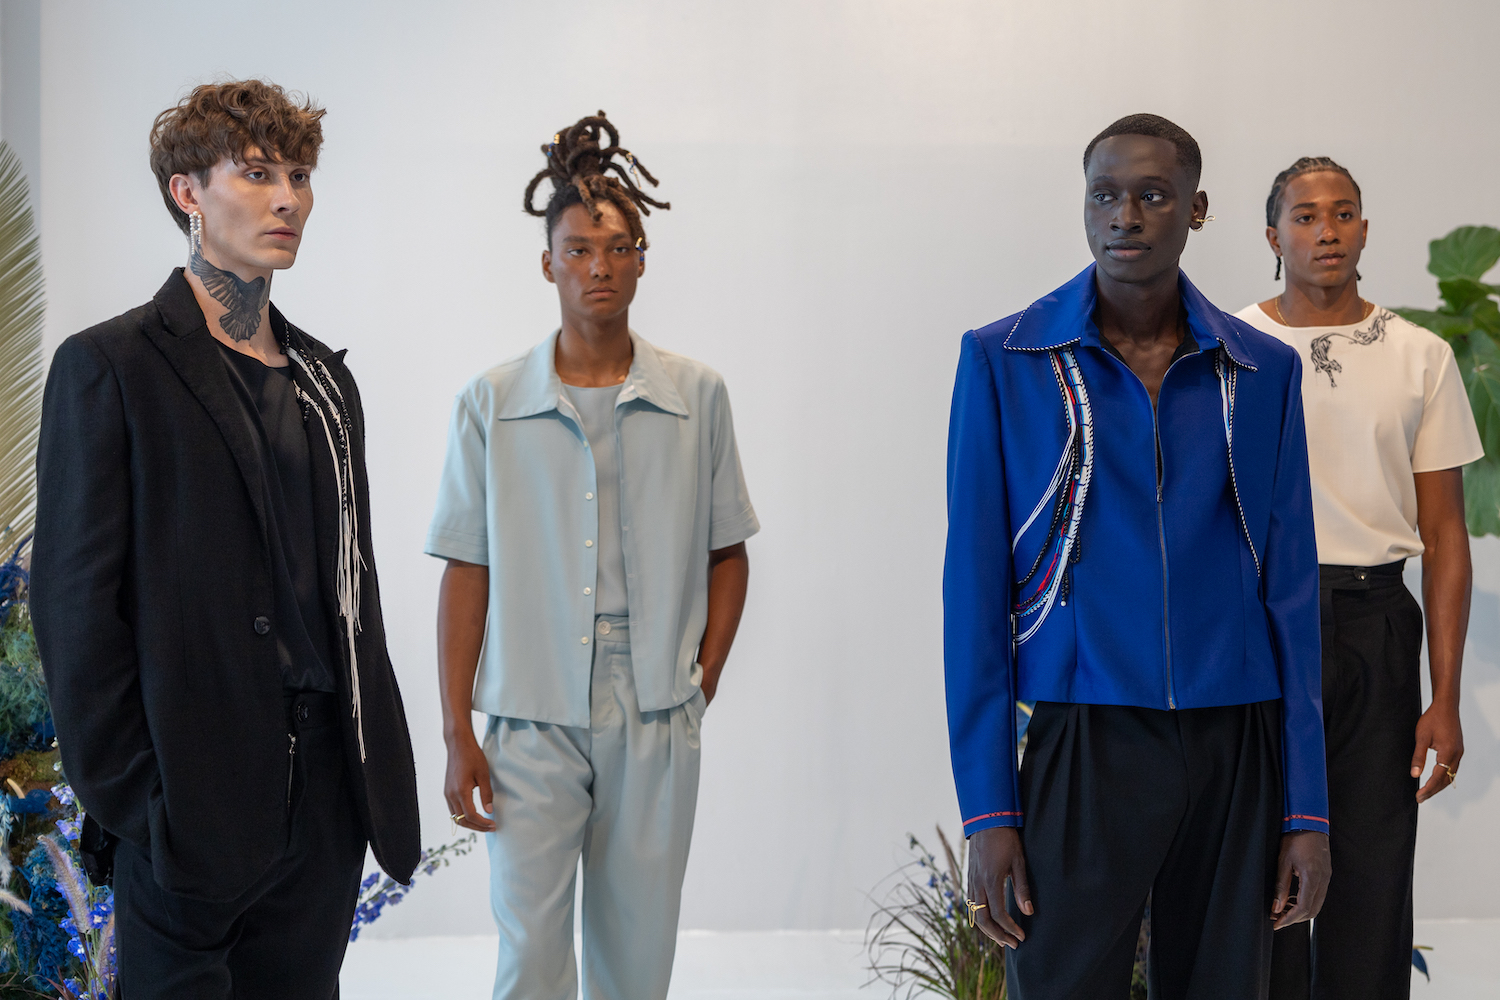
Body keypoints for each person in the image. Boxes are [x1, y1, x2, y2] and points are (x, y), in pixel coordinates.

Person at [31, 80, 420, 998]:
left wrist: (356, 793)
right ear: (187, 192)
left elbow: (349, 592)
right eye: (254, 173)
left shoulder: (325, 380)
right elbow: (75, 604)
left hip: (325, 805)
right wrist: (141, 805)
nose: (287, 197)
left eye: (298, 174)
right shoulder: (110, 366)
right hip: (188, 806)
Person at [944, 113, 1331, 999]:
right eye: (1106, 195)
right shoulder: (1006, 360)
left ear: (1196, 210)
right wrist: (989, 808)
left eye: (1153, 196)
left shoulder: (1260, 370)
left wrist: (1305, 810)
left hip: (1236, 738)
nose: (1126, 216)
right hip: (1085, 736)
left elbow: (1294, 594)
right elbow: (972, 597)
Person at [427, 111, 757, 1000]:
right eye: (577, 250)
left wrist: (705, 672)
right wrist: (459, 729)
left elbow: (730, 548)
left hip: (654, 702)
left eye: (615, 248)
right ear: (547, 263)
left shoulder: (697, 396)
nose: (598, 268)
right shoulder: (491, 404)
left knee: (636, 948)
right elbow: (468, 570)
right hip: (528, 706)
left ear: (643, 257)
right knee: (531, 949)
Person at [1235, 157, 1481, 1000]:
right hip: (1262, 621)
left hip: (1376, 618)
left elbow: (1446, 536)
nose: (1327, 229)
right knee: (1260, 864)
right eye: (1305, 216)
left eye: (1343, 213)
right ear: (1273, 238)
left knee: (1370, 867)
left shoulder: (1420, 356)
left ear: (1366, 230)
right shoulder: (1231, 346)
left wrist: (1443, 697)